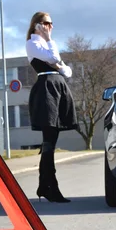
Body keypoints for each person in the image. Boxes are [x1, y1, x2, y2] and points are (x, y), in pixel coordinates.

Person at [25, 11, 79, 203]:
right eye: (47, 23)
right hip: (47, 89)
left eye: (51, 23)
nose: (51, 27)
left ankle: (44, 186)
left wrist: (56, 62)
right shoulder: (32, 44)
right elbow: (55, 60)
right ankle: (50, 188)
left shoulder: (45, 46)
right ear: (37, 25)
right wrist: (49, 41)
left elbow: (67, 71)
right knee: (49, 141)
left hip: (58, 88)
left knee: (51, 141)